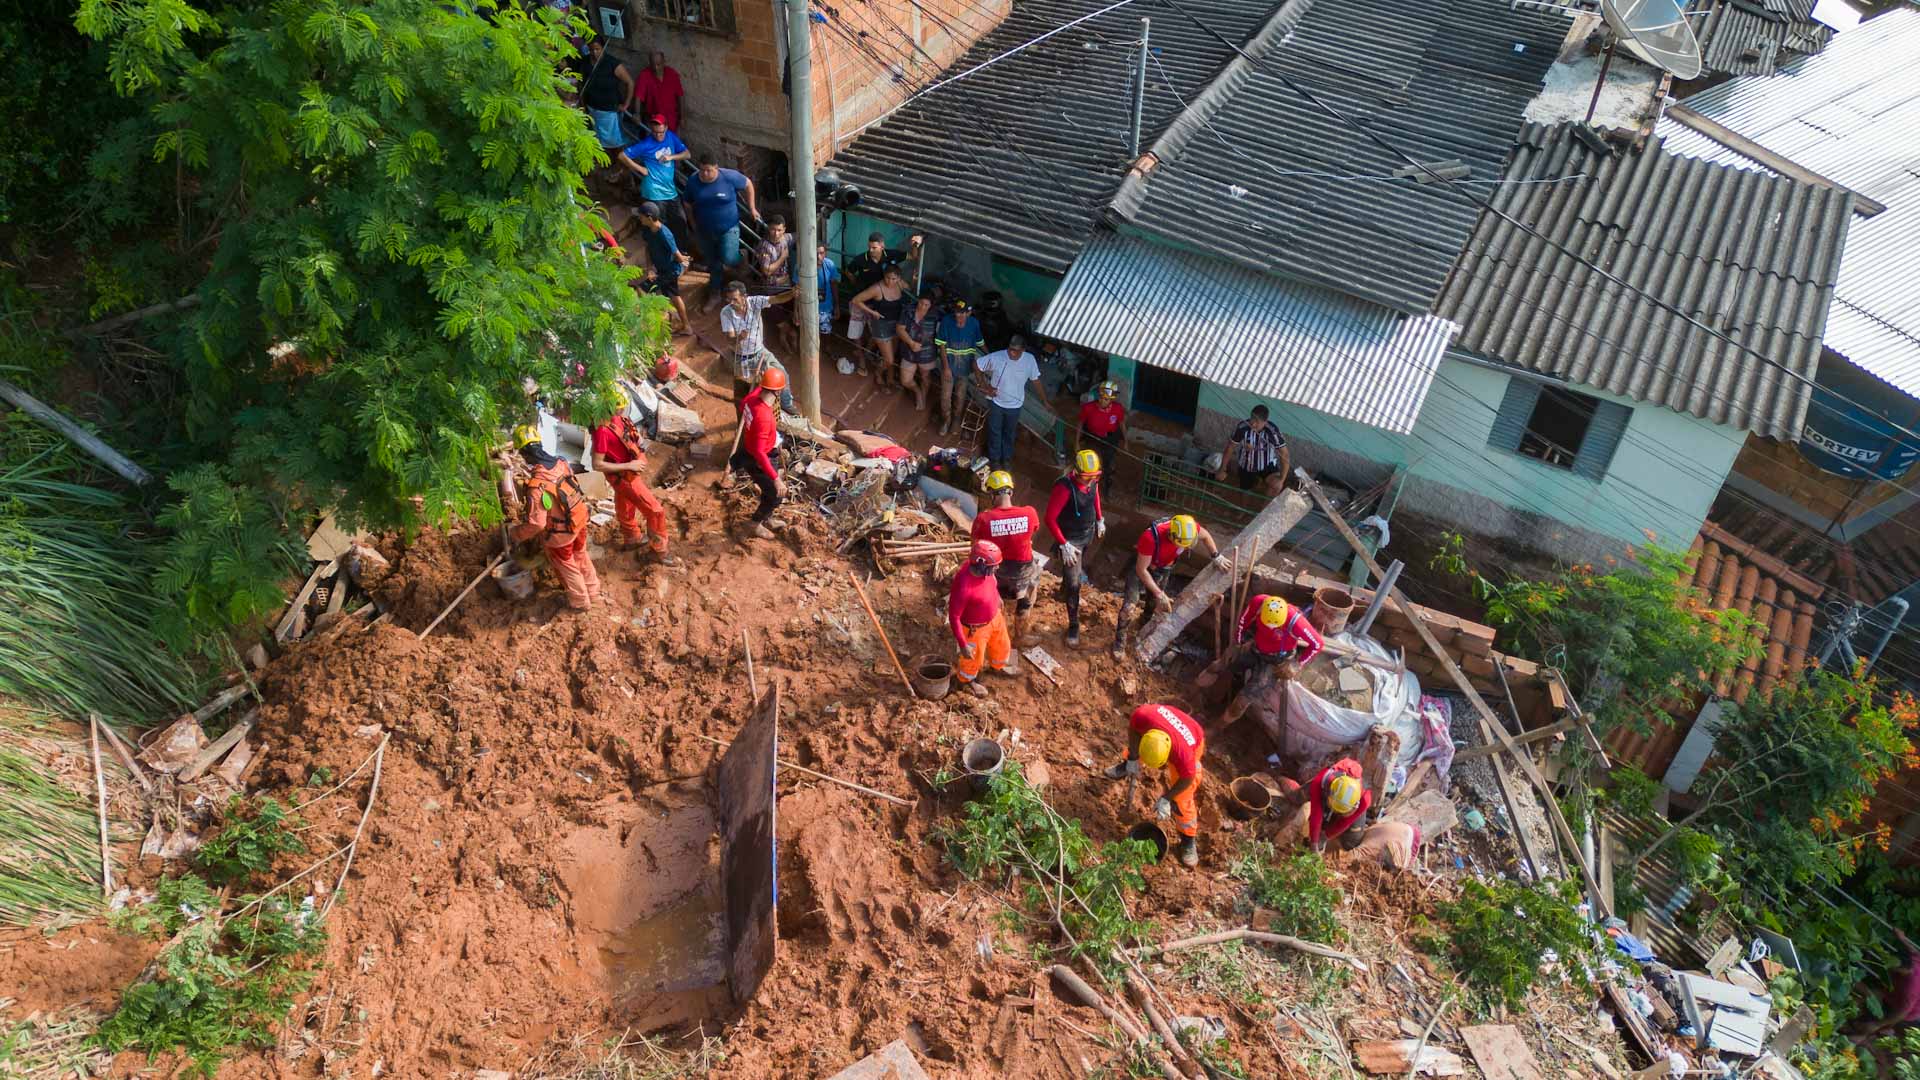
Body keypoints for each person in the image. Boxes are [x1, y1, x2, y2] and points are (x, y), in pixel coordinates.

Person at [509, 425, 601, 611]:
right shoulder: (562, 463)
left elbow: (536, 524)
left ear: (524, 453)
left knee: (568, 567)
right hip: (579, 520)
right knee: (581, 556)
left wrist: (516, 534)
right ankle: (594, 592)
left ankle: (580, 602)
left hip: (561, 535)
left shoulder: (537, 487)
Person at [1103, 703, 1206, 868]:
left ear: (1167, 756)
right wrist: (1133, 759)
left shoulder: (1183, 755)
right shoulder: (1143, 716)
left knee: (1182, 799)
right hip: (1161, 728)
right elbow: (1134, 729)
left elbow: (1187, 778)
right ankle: (1126, 767)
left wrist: (1166, 798)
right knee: (1135, 753)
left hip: (1193, 737)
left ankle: (1188, 841)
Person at [1114, 513, 1226, 655]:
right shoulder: (1150, 538)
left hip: (1164, 568)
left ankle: (1144, 623)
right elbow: (1141, 570)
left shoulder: (1188, 527)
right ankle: (1120, 641)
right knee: (1129, 607)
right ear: (1172, 536)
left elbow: (1206, 536)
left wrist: (1216, 556)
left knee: (1152, 603)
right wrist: (1160, 594)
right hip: (1143, 567)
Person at [1212, 594, 1325, 729]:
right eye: (1267, 623)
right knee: (1221, 666)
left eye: (1275, 626)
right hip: (1257, 647)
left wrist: (1297, 663)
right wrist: (1237, 643)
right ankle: (1200, 695)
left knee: (1243, 701)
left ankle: (1216, 727)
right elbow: (1244, 621)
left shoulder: (1296, 622)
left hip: (1276, 660)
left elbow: (1317, 644)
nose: (1271, 627)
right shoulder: (1259, 602)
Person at [590, 391, 677, 564]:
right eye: (619, 407)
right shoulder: (602, 431)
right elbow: (597, 464)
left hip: (625, 475)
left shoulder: (618, 419)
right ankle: (658, 552)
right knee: (655, 511)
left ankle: (632, 538)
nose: (622, 410)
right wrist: (630, 465)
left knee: (625, 503)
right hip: (625, 477)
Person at [972, 470, 1041, 646]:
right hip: (1023, 571)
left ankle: (996, 638)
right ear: (1010, 492)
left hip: (996, 571)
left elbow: (976, 548)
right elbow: (1032, 532)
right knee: (1026, 598)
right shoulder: (1029, 513)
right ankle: (1020, 635)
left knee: (995, 604)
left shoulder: (983, 519)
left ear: (993, 495)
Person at [1045, 449, 1107, 646]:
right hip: (1071, 541)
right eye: (1087, 477)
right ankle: (1073, 625)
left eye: (1094, 477)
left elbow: (1095, 495)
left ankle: (1063, 590)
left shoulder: (1092, 481)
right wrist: (1064, 544)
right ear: (1077, 472)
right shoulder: (1064, 488)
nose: (1090, 481)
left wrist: (1099, 519)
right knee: (1074, 583)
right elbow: (1050, 519)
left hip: (1087, 534)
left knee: (1071, 577)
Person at [950, 540, 1016, 696]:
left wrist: (998, 598)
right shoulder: (964, 587)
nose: (998, 568)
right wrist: (963, 644)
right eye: (994, 565)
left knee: (1003, 645)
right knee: (972, 661)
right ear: (981, 565)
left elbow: (991, 584)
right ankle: (967, 682)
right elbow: (954, 617)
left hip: (995, 619)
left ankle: (999, 666)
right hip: (975, 630)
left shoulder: (986, 572)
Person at [720, 280, 796, 412]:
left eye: (735, 299)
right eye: (729, 299)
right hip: (741, 358)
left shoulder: (755, 302)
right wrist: (740, 337)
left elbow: (776, 299)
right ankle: (744, 415)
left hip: (760, 352)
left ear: (744, 297)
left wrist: (792, 293)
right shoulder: (726, 312)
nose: (731, 303)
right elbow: (730, 339)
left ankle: (787, 405)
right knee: (745, 390)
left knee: (782, 374)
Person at [729, 367, 787, 540]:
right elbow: (760, 453)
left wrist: (761, 382)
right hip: (759, 459)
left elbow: (744, 403)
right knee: (775, 495)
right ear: (778, 391)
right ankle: (755, 524)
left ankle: (767, 517)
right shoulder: (764, 416)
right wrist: (776, 479)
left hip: (748, 450)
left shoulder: (751, 399)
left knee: (768, 491)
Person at [974, 335, 1043, 471]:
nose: (1011, 353)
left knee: (1009, 433)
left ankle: (1006, 459)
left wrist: (1045, 401)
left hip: (1015, 406)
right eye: (1010, 349)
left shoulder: (1029, 360)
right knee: (995, 431)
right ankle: (995, 460)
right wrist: (984, 385)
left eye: (1016, 351)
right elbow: (977, 365)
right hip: (996, 403)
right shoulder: (998, 357)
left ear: (1023, 350)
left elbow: (1036, 381)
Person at [682, 152, 758, 275]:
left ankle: (741, 257)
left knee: (728, 257)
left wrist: (752, 208)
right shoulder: (693, 181)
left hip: (729, 227)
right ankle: (715, 289)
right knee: (712, 260)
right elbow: (687, 203)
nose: (705, 174)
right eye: (702, 170)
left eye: (708, 170)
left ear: (716, 168)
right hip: (704, 229)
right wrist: (692, 223)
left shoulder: (729, 177)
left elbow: (748, 184)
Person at [618, 115, 691, 241]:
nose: (658, 136)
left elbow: (687, 154)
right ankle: (660, 252)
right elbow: (622, 155)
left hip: (670, 191)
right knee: (659, 225)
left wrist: (671, 157)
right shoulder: (646, 144)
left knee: (680, 221)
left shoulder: (671, 137)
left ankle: (682, 251)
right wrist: (640, 169)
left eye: (661, 132)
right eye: (655, 132)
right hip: (653, 191)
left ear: (666, 128)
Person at [1276, 758, 1372, 852]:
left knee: (1351, 841)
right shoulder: (1321, 781)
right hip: (1326, 789)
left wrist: (1325, 836)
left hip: (1342, 800)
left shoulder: (1365, 799)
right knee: (1296, 797)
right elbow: (1316, 814)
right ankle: (1279, 776)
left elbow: (1346, 822)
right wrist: (1314, 843)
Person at [843, 232, 923, 342]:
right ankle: (860, 354)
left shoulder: (891, 255)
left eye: (874, 248)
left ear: (882, 246)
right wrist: (856, 283)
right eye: (869, 247)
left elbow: (913, 256)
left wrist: (915, 245)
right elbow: (848, 271)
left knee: (875, 330)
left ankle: (870, 352)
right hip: (861, 297)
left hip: (878, 302)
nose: (871, 250)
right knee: (856, 330)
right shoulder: (860, 259)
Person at [632, 201, 691, 333]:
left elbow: (676, 253)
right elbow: (648, 249)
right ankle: (680, 323)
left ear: (649, 217)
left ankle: (649, 323)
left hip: (670, 271)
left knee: (642, 289)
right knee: (671, 296)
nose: (639, 218)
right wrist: (650, 269)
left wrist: (684, 259)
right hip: (660, 270)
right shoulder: (647, 231)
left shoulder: (665, 234)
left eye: (641, 216)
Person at [849, 266, 912, 385]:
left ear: (898, 278)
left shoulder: (900, 284)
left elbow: (910, 289)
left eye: (894, 279)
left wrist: (914, 279)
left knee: (892, 355)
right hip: (881, 325)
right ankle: (878, 372)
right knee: (889, 359)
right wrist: (872, 312)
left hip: (896, 324)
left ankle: (890, 379)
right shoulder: (877, 288)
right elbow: (856, 300)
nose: (890, 281)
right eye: (887, 278)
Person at [934, 299, 986, 435]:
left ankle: (956, 420)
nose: (959, 316)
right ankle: (946, 420)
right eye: (957, 312)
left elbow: (980, 342)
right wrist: (945, 368)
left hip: (965, 367)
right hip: (949, 366)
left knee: (960, 395)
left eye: (963, 313)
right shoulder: (946, 321)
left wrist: (991, 356)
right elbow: (941, 345)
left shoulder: (974, 323)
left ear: (969, 313)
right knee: (945, 396)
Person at [1216, 404, 1290, 494]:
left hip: (1266, 465)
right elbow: (1230, 447)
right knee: (1245, 493)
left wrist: (1282, 479)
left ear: (1265, 422)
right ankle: (1243, 506)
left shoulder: (1272, 431)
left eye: (1257, 421)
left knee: (1276, 486)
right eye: (1252, 419)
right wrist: (1222, 468)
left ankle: (1265, 508)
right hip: (1247, 465)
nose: (1253, 424)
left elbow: (1284, 454)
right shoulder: (1242, 427)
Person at [579, 37, 634, 151]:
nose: (594, 53)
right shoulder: (585, 62)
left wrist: (626, 104)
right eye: (591, 50)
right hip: (592, 109)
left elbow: (630, 83)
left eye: (597, 49)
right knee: (599, 139)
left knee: (616, 141)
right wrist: (583, 105)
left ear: (603, 48)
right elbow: (582, 85)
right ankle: (607, 162)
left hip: (609, 111)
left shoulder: (612, 63)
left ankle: (621, 164)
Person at [1076, 379, 1126, 498]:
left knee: (1109, 466)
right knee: (1091, 464)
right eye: (1101, 397)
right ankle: (1089, 489)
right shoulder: (1088, 408)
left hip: (1110, 439)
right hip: (1092, 438)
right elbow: (1080, 424)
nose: (1102, 401)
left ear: (1112, 400)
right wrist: (1076, 442)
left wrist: (1126, 441)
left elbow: (1121, 424)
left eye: (1106, 399)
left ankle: (1107, 489)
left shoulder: (1118, 409)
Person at [896, 294, 940, 412]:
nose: (923, 307)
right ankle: (917, 391)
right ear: (918, 301)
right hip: (909, 350)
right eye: (921, 303)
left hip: (927, 352)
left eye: (926, 305)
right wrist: (911, 343)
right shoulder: (909, 311)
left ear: (931, 306)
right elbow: (900, 329)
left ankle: (923, 397)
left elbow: (940, 334)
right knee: (905, 380)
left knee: (926, 376)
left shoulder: (935, 315)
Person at [631, 50, 684, 132]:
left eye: (658, 64)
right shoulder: (644, 75)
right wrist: (637, 114)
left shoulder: (672, 74)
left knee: (671, 143)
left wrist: (682, 117)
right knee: (653, 143)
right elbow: (638, 97)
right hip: (653, 120)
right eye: (653, 65)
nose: (656, 68)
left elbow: (680, 96)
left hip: (671, 120)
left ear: (664, 62)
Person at [751, 214, 794, 290]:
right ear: (768, 228)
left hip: (786, 283)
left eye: (779, 230)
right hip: (771, 287)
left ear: (784, 230)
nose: (776, 234)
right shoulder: (765, 246)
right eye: (773, 229)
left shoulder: (785, 238)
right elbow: (767, 271)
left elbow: (797, 236)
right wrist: (783, 257)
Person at [814, 244, 839, 336]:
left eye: (821, 253)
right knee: (811, 334)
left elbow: (834, 286)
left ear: (825, 253)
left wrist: (836, 306)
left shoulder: (829, 265)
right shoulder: (803, 266)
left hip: (826, 308)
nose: (818, 257)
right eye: (815, 253)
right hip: (809, 307)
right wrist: (797, 309)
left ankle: (824, 350)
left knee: (825, 334)